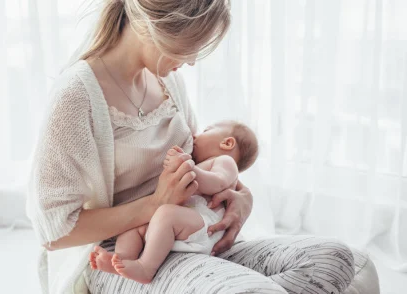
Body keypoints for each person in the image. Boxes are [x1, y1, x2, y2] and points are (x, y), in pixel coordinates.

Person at [27, 0, 365, 293]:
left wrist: (241, 198)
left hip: (192, 235)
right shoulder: (77, 96)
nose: (190, 62)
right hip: (127, 253)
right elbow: (54, 232)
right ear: (156, 26)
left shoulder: (168, 81)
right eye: (190, 45)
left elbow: (204, 160)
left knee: (333, 259)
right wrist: (155, 205)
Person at [89, 121, 259, 284]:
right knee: (134, 227)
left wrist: (189, 168)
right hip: (182, 225)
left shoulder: (225, 162)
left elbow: (218, 182)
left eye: (206, 130)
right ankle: (122, 259)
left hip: (206, 225)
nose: (195, 135)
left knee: (166, 214)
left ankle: (146, 268)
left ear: (227, 143)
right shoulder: (204, 164)